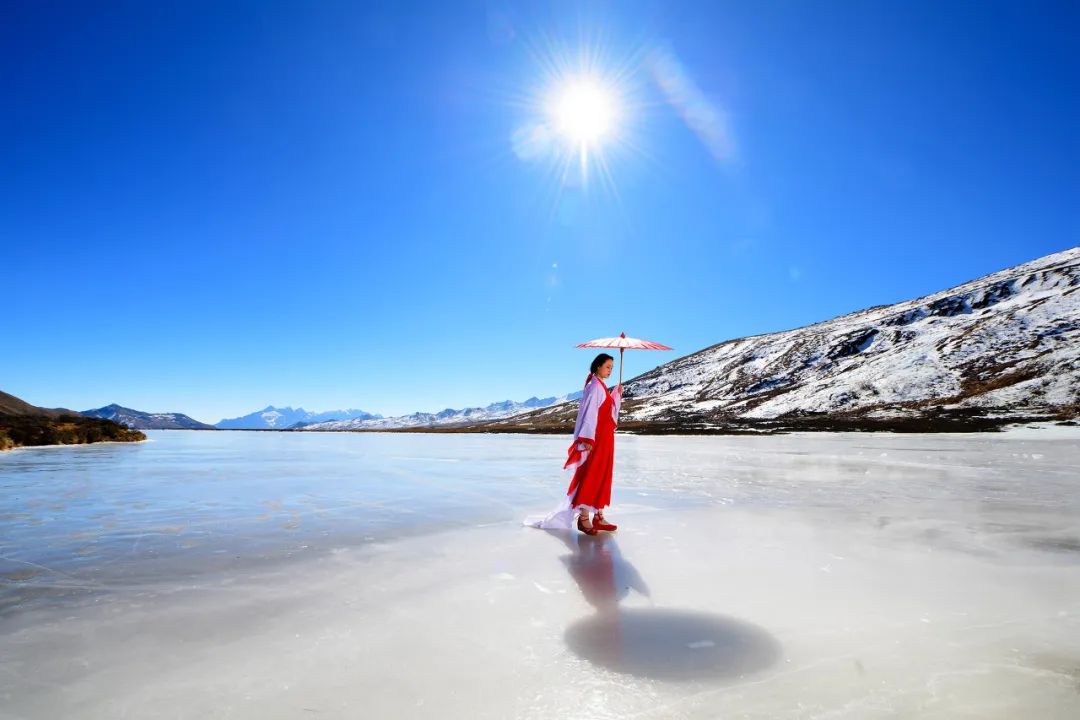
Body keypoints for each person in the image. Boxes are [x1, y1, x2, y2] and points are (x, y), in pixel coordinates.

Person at [564, 353, 622, 534]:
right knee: (593, 475)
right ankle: (583, 519)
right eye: (607, 367)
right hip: (596, 439)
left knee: (603, 475)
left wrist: (616, 395)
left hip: (606, 439)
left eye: (612, 368)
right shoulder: (594, 386)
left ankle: (598, 516)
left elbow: (606, 409)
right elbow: (589, 412)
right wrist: (588, 438)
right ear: (598, 366)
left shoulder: (600, 385)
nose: (610, 370)